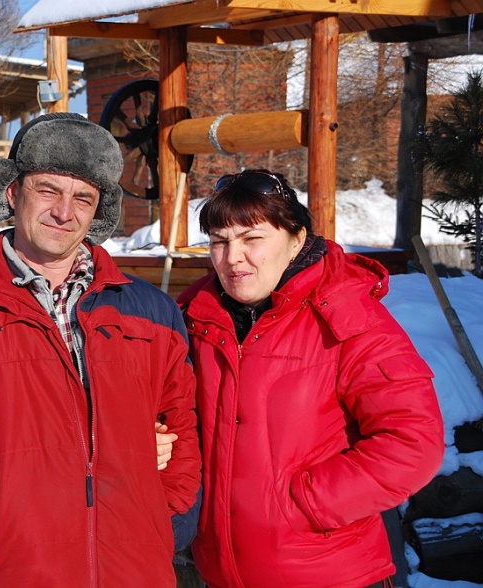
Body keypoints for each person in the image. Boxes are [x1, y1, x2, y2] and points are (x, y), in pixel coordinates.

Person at [0, 112, 202, 586]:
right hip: (12, 570)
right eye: (48, 190)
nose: (63, 212)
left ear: (98, 211)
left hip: (136, 569)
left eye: (83, 198)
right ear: (13, 192)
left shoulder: (151, 312)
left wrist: (166, 522)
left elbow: (183, 430)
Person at [177, 169, 444, 588]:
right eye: (219, 241)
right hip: (218, 572)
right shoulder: (196, 319)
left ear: (296, 238)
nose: (232, 258)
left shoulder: (347, 315)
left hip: (329, 573)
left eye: (252, 239)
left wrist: (305, 504)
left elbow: (413, 441)